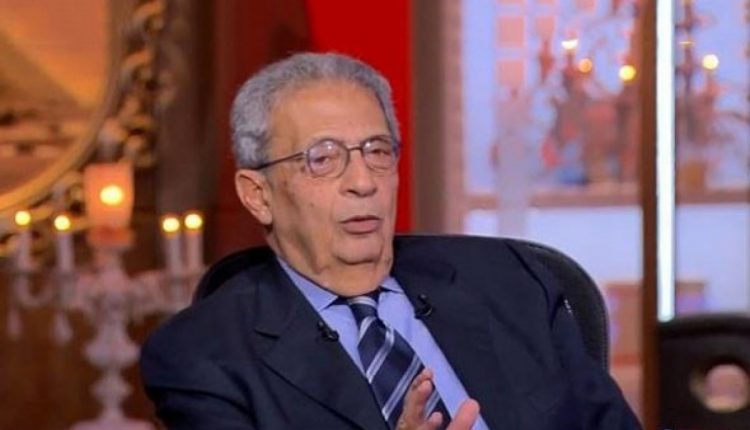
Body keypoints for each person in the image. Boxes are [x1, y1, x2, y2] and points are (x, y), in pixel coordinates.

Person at [140, 52, 642, 430]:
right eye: (323, 158)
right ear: (258, 195)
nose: (364, 182)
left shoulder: (511, 282)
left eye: (378, 151)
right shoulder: (202, 356)